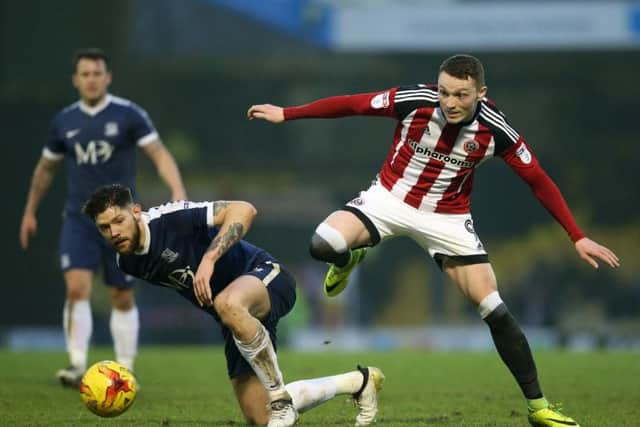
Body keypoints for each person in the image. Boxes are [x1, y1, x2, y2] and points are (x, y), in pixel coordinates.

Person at [247, 54, 620, 427]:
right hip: (388, 199)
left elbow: (537, 179)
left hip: (447, 218)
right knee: (323, 243)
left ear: (480, 93)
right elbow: (353, 104)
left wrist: (577, 236)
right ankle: (348, 259)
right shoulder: (415, 100)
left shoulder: (497, 129)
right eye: (444, 92)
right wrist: (288, 113)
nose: (451, 103)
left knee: (495, 310)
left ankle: (538, 407)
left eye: (461, 94)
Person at [82, 184, 385, 427]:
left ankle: (280, 399)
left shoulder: (169, 219)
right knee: (260, 419)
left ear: (136, 211)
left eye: (118, 221)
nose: (114, 232)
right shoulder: (127, 261)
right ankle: (359, 381)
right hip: (234, 319)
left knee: (228, 303)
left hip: (266, 276)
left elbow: (244, 210)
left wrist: (209, 260)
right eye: (104, 228)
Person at [19, 48, 187, 387]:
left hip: (122, 222)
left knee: (121, 294)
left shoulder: (128, 114)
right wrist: (30, 211)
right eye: (85, 74)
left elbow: (158, 153)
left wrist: (178, 190)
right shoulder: (64, 121)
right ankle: (77, 364)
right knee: (76, 287)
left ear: (107, 77)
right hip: (78, 219)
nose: (92, 79)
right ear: (75, 80)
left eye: (97, 73)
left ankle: (125, 368)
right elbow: (46, 169)